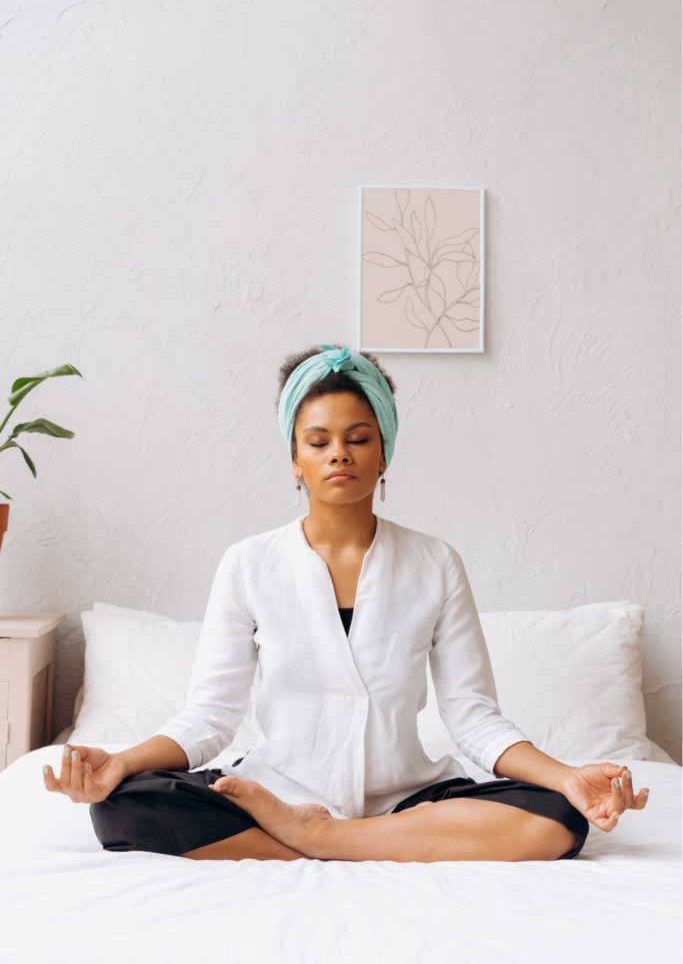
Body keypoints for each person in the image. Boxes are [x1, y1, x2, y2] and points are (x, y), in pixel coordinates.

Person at [42, 342, 650, 862]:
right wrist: (120, 762)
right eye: (319, 441)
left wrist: (567, 777)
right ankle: (353, 837)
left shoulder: (435, 563)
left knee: (558, 818)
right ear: (295, 460)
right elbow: (208, 719)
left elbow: (473, 717)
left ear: (383, 455)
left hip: (404, 796)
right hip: (273, 787)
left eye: (358, 438)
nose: (339, 453)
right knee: (124, 810)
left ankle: (328, 838)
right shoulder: (249, 563)